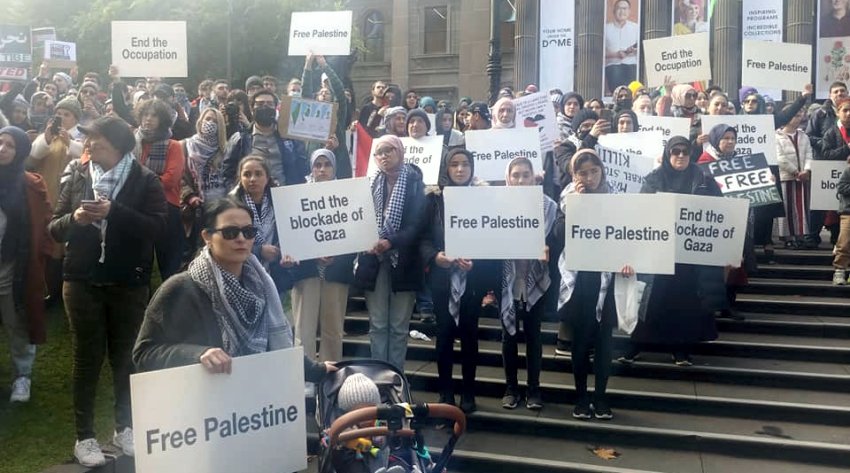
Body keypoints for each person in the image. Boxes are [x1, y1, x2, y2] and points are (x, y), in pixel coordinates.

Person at [49, 116, 167, 467]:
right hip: (81, 280)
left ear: (117, 146)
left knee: (125, 358)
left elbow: (158, 228)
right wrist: (76, 220)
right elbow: (55, 228)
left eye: (96, 142)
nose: (87, 147)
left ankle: (125, 426)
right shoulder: (79, 173)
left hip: (128, 282)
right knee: (87, 359)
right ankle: (84, 436)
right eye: (88, 141)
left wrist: (114, 212)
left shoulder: (145, 180)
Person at [132, 197, 333, 377]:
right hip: (205, 408)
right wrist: (198, 355)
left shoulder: (262, 286)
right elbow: (144, 354)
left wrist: (320, 370)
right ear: (207, 237)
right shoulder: (180, 289)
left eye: (248, 231)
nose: (241, 239)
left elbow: (280, 348)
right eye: (230, 232)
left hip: (257, 405)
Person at [621, 136, 723, 366]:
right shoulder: (654, 179)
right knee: (650, 301)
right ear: (667, 154)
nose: (680, 156)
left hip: (690, 257)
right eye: (675, 151)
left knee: (684, 302)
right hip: (657, 252)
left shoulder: (704, 179)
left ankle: (680, 350)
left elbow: (719, 215)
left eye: (684, 152)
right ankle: (636, 345)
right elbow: (640, 214)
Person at [420, 149, 499, 413]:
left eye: (465, 164)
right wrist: (435, 256)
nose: (460, 169)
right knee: (443, 335)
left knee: (469, 335)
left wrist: (476, 261)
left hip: (471, 281)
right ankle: (446, 393)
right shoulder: (433, 201)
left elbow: (491, 235)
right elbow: (424, 239)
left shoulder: (484, 199)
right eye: (454, 165)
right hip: (443, 279)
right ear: (447, 168)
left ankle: (468, 392)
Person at [558, 149, 633, 420]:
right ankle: (581, 397)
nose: (589, 177)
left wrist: (627, 260)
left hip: (609, 279)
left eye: (594, 171)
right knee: (579, 344)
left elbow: (628, 235)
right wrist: (578, 204)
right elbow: (559, 236)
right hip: (581, 281)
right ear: (574, 175)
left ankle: (600, 397)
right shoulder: (568, 199)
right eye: (582, 173)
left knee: (604, 344)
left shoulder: (618, 200)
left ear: (602, 171)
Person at [353, 135, 425, 371]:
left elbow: (417, 225)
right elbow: (356, 219)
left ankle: (395, 376)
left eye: (389, 151)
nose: (384, 156)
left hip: (404, 261)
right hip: (373, 261)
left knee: (398, 326)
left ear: (401, 152)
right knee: (378, 324)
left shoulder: (415, 182)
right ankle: (378, 374)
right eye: (379, 152)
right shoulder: (368, 183)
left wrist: (390, 242)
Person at [500, 157, 558, 411]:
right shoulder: (495, 205)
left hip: (535, 278)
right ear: (508, 178)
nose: (521, 179)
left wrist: (549, 249)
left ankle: (534, 389)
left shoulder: (549, 207)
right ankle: (511, 388)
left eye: (525, 174)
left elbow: (558, 241)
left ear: (534, 177)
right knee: (508, 337)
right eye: (516, 175)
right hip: (507, 280)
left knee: (534, 337)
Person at [288, 150, 355, 363]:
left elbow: (355, 231)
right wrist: (312, 254)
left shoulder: (347, 194)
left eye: (327, 164)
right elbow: (293, 231)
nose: (322, 169)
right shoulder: (298, 195)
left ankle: (332, 379)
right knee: (303, 329)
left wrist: (338, 255)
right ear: (311, 168)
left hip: (337, 271)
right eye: (318, 165)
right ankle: (304, 378)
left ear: (335, 168)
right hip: (306, 271)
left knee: (333, 330)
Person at [0, 127, 51, 403]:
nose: (2, 149)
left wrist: (40, 256)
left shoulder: (30, 184)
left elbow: (44, 222)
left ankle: (22, 375)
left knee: (16, 322)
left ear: (20, 150)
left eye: (9, 145)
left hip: (14, 270)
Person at [134, 99, 186, 281]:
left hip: (166, 207)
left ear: (162, 119)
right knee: (139, 259)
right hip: (137, 206)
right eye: (145, 114)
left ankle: (172, 298)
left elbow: (171, 180)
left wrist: (139, 181)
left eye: (154, 115)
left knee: (168, 261)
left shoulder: (174, 146)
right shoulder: (132, 142)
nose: (148, 119)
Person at [229, 156, 290, 295]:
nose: (252, 179)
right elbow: (228, 243)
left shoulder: (280, 202)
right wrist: (259, 251)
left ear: (267, 177)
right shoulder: (231, 206)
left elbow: (288, 235)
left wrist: (282, 253)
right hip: (242, 274)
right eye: (247, 174)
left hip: (275, 274)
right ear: (240, 178)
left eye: (258, 174)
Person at [222, 89, 308, 187]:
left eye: (269, 104)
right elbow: (227, 174)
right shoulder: (240, 139)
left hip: (285, 195)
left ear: (275, 108)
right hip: (251, 198)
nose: (265, 107)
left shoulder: (290, 139)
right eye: (260, 104)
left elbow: (303, 169)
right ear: (252, 108)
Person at [808, 81, 847, 245]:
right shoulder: (820, 112)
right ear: (830, 95)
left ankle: (837, 236)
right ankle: (812, 236)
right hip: (824, 163)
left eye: (842, 92)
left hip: (845, 164)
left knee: (840, 201)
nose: (839, 94)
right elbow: (809, 136)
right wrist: (826, 143)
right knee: (820, 203)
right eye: (836, 92)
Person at [302, 53, 353, 178]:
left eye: (327, 93)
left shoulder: (337, 115)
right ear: (316, 98)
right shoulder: (311, 115)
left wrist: (324, 65)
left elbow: (340, 92)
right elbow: (305, 93)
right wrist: (308, 64)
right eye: (321, 93)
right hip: (315, 170)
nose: (324, 94)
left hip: (339, 167)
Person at [775, 105, 813, 249]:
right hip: (786, 176)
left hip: (803, 177)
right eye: (793, 115)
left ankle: (801, 235)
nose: (796, 118)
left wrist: (807, 170)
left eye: (798, 115)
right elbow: (779, 158)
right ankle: (787, 236)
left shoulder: (803, 135)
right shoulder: (776, 136)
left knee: (802, 206)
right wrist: (795, 171)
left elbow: (809, 154)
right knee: (787, 207)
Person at [604, 0, 639, 94]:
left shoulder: (636, 28)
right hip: (613, 66)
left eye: (624, 8)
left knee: (632, 92)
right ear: (614, 11)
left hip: (632, 65)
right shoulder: (605, 29)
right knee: (618, 91)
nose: (622, 11)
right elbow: (599, 52)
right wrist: (615, 54)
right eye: (619, 8)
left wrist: (633, 50)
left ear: (629, 11)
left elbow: (642, 48)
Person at [832, 166, 850, 284]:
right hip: (848, 212)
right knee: (844, 242)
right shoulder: (848, 170)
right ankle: (839, 271)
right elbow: (841, 187)